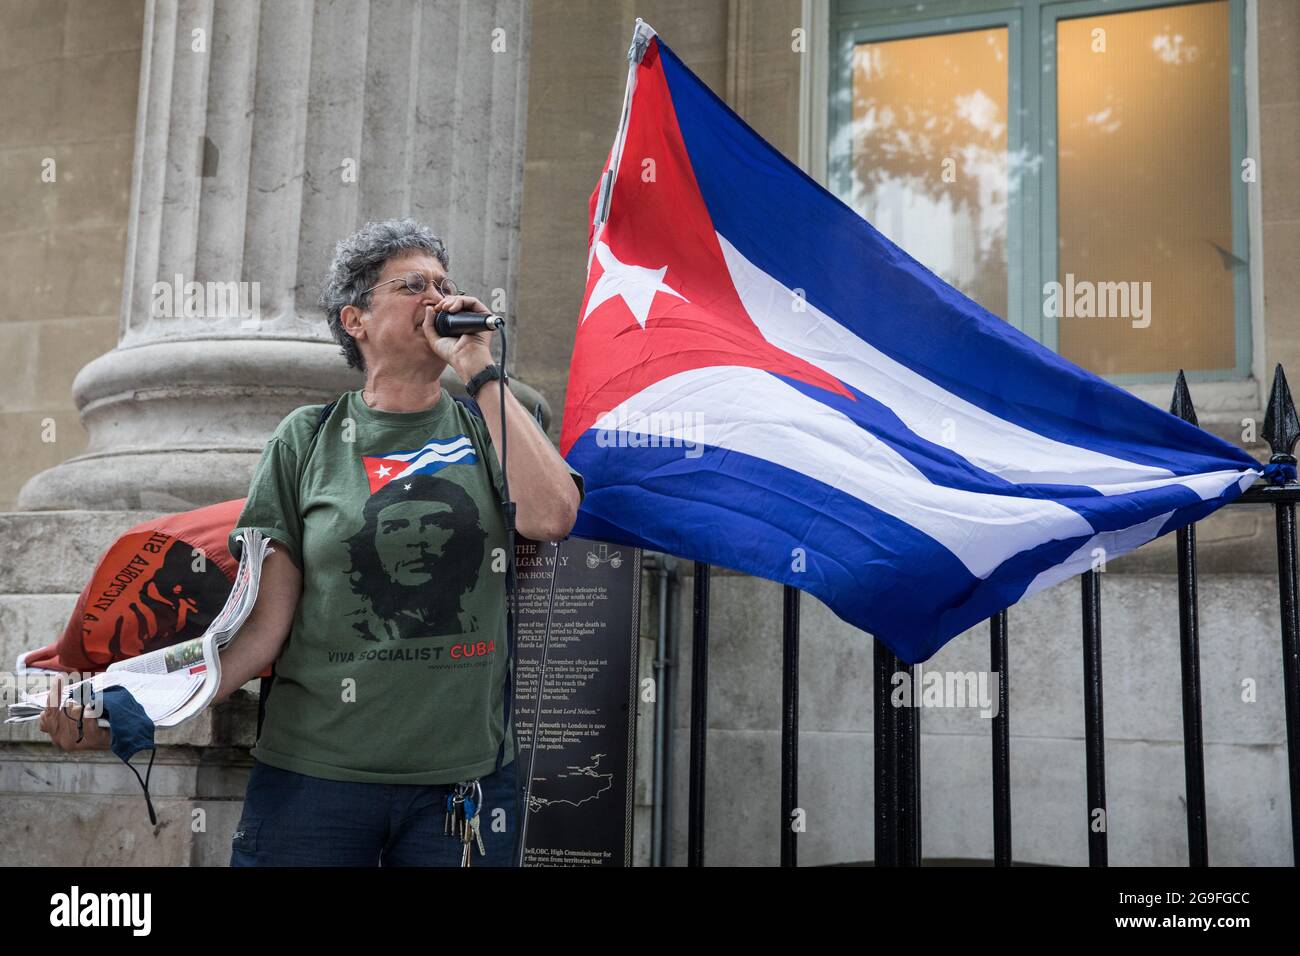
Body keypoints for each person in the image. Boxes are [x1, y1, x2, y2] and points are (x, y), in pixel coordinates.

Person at [41, 218, 584, 867]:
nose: (439, 300)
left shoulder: (485, 427)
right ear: (355, 318)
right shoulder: (305, 440)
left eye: (446, 285)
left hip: (461, 790)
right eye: (414, 285)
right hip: (314, 787)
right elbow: (264, 629)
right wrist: (131, 703)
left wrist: (481, 370)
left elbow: (553, 516)